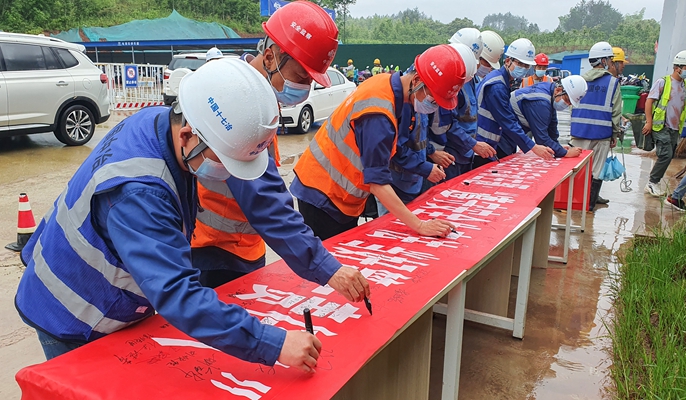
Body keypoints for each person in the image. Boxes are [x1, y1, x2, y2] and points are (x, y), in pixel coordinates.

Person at [14, 59, 328, 374]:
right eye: (223, 161)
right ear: (188, 135)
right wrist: (273, 343)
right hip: (73, 313)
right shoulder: (139, 194)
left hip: (107, 291)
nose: (228, 174)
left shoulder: (159, 123)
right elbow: (177, 293)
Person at [192, 1, 369, 299]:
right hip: (212, 250)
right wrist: (327, 268)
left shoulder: (261, 97)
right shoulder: (238, 100)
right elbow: (266, 201)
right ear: (270, 56)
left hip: (246, 245)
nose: (305, 88)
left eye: (311, 80)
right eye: (301, 77)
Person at [291, 45, 466, 240]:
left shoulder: (386, 84)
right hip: (324, 195)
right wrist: (420, 225)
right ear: (417, 81)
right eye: (433, 100)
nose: (433, 107)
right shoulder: (379, 113)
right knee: (328, 257)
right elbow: (377, 183)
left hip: (338, 193)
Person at [473, 38, 555, 168]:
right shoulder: (497, 86)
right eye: (520, 63)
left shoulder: (502, 81)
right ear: (507, 61)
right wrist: (533, 146)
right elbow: (507, 121)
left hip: (487, 145)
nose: (523, 68)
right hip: (481, 147)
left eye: (526, 65)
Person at [429, 35, 496, 180]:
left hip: (464, 153)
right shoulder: (447, 81)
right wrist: (431, 152)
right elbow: (446, 123)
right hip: (449, 152)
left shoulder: (470, 79)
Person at [570, 41, 622, 210]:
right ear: (604, 61)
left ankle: (572, 202)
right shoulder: (612, 83)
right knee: (596, 170)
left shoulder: (579, 80)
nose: (611, 64)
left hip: (578, 132)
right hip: (601, 134)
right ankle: (589, 205)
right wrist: (615, 134)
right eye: (610, 60)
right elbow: (616, 112)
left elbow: (571, 105)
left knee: (576, 168)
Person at [642, 50, 686, 197]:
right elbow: (649, 101)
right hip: (661, 126)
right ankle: (652, 182)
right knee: (666, 155)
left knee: (669, 155)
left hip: (675, 128)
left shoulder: (684, 85)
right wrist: (649, 122)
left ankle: (653, 182)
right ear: (677, 68)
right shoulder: (663, 82)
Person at [511, 75, 587, 158]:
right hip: (504, 132)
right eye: (567, 100)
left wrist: (558, 147)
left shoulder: (550, 93)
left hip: (512, 132)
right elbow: (541, 138)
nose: (567, 104)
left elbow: (552, 128)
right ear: (558, 90)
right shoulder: (540, 102)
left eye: (570, 103)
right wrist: (565, 153)